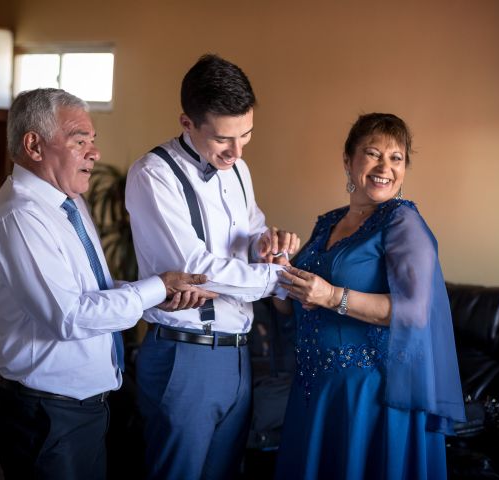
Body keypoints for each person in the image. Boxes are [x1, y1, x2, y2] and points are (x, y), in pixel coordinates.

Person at [0, 88, 216, 480]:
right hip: (48, 415)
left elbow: (92, 292)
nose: (94, 153)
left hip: (87, 406)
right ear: (34, 145)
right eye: (80, 140)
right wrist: (154, 287)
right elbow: (68, 316)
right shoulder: (19, 217)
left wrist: (158, 297)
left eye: (93, 141)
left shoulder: (68, 203)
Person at [125, 54, 300, 480]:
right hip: (185, 354)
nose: (237, 151)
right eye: (224, 139)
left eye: (247, 135)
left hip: (239, 355)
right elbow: (195, 268)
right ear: (187, 122)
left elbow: (252, 230)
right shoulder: (153, 174)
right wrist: (278, 279)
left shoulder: (238, 168)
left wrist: (269, 247)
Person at [273, 113, 466, 479]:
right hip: (315, 390)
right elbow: (286, 305)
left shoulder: (402, 222)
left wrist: (331, 296)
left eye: (397, 158)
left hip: (369, 394)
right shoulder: (327, 222)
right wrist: (275, 267)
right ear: (348, 160)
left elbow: (414, 311)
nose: (385, 167)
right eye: (373, 153)